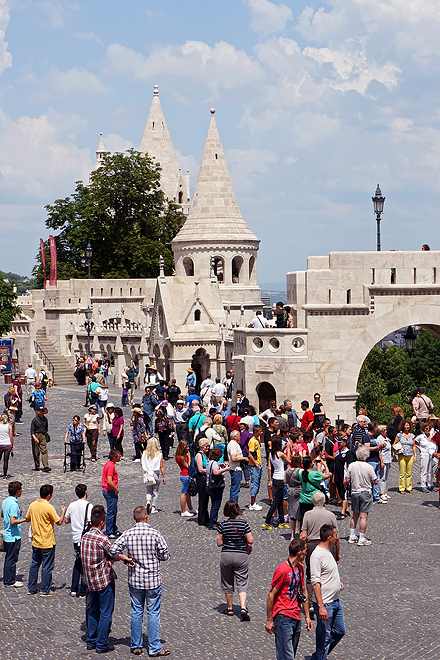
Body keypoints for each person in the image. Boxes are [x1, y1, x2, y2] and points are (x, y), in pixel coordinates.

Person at [110, 506, 170, 656]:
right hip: (152, 580)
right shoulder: (155, 534)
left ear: (134, 518)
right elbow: (165, 555)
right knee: (153, 613)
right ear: (146, 517)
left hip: (135, 579)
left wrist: (125, 558)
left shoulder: (128, 534)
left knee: (136, 612)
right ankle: (154, 647)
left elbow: (113, 550)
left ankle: (136, 645)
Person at [81, 504, 132, 653]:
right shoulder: (102, 539)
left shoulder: (84, 537)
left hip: (90, 581)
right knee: (105, 612)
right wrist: (125, 559)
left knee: (93, 610)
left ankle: (91, 640)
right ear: (102, 522)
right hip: (103, 580)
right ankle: (102, 643)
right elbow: (114, 552)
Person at [265, 539, 313, 660]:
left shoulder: (300, 568)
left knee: (289, 655)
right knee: (287, 657)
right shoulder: (282, 570)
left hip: (296, 616)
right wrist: (269, 619)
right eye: (305, 551)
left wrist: (307, 616)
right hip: (283, 618)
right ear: (299, 553)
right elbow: (271, 594)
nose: (306, 553)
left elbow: (304, 592)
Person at [310, 524, 346, 660]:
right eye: (336, 535)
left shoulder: (329, 551)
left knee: (340, 631)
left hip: (335, 601)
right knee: (323, 638)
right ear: (330, 538)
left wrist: (337, 583)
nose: (338, 537)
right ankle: (320, 657)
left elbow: (328, 573)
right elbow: (315, 582)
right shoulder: (317, 556)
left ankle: (318, 657)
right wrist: (321, 607)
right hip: (325, 604)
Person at [300, 492, 339, 612]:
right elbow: (336, 537)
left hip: (311, 546)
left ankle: (311, 602)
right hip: (328, 546)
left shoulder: (307, 515)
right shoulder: (331, 515)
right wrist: (337, 552)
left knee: (311, 575)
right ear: (324, 502)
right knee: (327, 574)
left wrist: (301, 555)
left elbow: (303, 535)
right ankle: (327, 598)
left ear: (313, 502)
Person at [26, 484, 66, 596]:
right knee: (47, 566)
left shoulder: (32, 505)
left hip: (36, 541)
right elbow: (58, 522)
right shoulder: (49, 507)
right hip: (47, 542)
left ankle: (31, 587)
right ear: (49, 495)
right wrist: (63, 511)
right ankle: (45, 589)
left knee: (34, 564)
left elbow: (28, 518)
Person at [217, 499, 253, 621]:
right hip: (241, 555)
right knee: (242, 581)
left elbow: (219, 543)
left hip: (226, 555)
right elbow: (250, 540)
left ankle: (230, 608)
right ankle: (243, 607)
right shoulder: (244, 524)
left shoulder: (223, 525)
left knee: (227, 581)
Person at [344, 445, 377, 546]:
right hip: (365, 492)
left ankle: (352, 536)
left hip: (355, 492)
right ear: (366, 456)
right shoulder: (369, 467)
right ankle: (361, 538)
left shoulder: (352, 465)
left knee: (354, 515)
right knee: (363, 517)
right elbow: (375, 481)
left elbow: (347, 479)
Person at [64, 483, 92, 598]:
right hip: (85, 537)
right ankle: (82, 591)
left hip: (76, 538)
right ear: (85, 492)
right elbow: (91, 522)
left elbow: (66, 520)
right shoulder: (89, 506)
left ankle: (74, 589)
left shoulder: (72, 505)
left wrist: (75, 520)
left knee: (77, 562)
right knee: (85, 563)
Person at [2, 480, 28, 588]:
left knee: (8, 558)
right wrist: (24, 520)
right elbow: (13, 521)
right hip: (13, 536)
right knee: (12, 559)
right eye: (21, 489)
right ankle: (10, 581)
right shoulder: (13, 504)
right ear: (17, 491)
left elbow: (3, 515)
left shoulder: (5, 501)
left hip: (7, 534)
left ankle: (8, 578)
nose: (22, 491)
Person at [263, 437, 290, 530]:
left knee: (280, 500)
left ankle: (281, 521)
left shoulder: (271, 454)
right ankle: (267, 521)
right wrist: (288, 448)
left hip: (275, 478)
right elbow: (288, 460)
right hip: (280, 479)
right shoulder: (281, 454)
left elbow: (269, 467)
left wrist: (270, 479)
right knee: (277, 501)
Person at [299, 456, 330, 523]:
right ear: (310, 463)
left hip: (304, 498)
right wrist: (325, 465)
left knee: (304, 519)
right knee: (315, 519)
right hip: (314, 498)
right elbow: (327, 475)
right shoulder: (315, 474)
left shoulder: (301, 474)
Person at [206, 447, 230, 530]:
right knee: (216, 505)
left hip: (209, 486)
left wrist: (220, 465)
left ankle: (213, 521)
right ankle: (212, 523)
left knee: (214, 504)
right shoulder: (214, 463)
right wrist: (225, 469)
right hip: (216, 487)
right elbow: (215, 472)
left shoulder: (210, 462)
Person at [141, 438, 165, 514]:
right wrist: (164, 476)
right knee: (155, 491)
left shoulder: (144, 453)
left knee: (148, 491)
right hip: (155, 474)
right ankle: (153, 508)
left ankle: (148, 501)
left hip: (147, 474)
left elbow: (141, 463)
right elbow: (161, 466)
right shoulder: (159, 454)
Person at [102, 449, 122, 539]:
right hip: (110, 491)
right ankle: (109, 531)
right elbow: (109, 481)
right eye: (119, 457)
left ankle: (113, 529)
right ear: (114, 458)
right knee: (111, 512)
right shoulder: (110, 466)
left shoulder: (110, 464)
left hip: (110, 490)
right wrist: (116, 489)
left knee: (113, 511)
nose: (120, 458)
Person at [175, 440, 197, 517]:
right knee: (184, 493)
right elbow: (188, 466)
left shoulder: (180, 456)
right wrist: (189, 458)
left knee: (187, 494)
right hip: (185, 475)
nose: (188, 448)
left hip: (185, 474)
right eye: (186, 447)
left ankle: (190, 508)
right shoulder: (181, 457)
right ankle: (183, 511)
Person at [394, 419, 416, 494]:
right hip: (402, 455)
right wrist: (394, 453)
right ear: (403, 426)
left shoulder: (412, 435)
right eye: (406, 425)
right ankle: (402, 488)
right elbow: (394, 444)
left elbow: (413, 446)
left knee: (409, 473)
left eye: (408, 425)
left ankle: (409, 487)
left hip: (410, 455)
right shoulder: (399, 435)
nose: (407, 427)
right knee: (402, 473)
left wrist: (415, 455)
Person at [284, 455, 303, 540]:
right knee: (298, 515)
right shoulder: (300, 471)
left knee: (292, 514)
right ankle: (299, 534)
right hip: (299, 491)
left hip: (290, 490)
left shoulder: (287, 470)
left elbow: (285, 481)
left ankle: (292, 535)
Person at [415, 421, 437, 493]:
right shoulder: (421, 437)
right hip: (424, 454)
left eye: (429, 428)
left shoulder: (432, 436)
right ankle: (423, 485)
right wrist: (418, 448)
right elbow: (414, 441)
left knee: (430, 471)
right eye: (426, 428)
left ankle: (430, 485)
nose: (428, 430)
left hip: (431, 455)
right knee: (424, 470)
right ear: (424, 429)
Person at [227, 429, 248, 503]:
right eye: (239, 436)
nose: (240, 437)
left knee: (235, 489)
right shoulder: (233, 445)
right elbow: (233, 458)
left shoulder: (233, 443)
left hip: (235, 468)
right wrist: (244, 458)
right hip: (235, 469)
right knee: (235, 490)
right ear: (234, 437)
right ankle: (233, 506)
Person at [30, 404, 51, 473]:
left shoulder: (45, 419)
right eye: (41, 411)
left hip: (42, 435)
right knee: (36, 452)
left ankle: (46, 466)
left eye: (43, 411)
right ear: (38, 412)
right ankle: (37, 465)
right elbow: (32, 431)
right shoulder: (34, 420)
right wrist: (34, 438)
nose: (43, 412)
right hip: (36, 435)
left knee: (44, 450)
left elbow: (46, 428)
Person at [248, 425, 263, 511]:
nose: (261, 433)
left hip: (258, 464)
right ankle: (252, 503)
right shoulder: (252, 441)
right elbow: (250, 454)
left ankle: (254, 501)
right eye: (260, 431)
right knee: (254, 483)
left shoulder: (257, 440)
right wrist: (256, 463)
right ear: (256, 432)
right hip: (254, 465)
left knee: (257, 483)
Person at [195, 438, 210, 526]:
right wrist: (210, 470)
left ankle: (205, 517)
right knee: (202, 498)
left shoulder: (205, 455)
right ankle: (202, 519)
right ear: (201, 447)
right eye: (206, 446)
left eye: (208, 446)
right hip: (201, 479)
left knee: (206, 499)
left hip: (205, 478)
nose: (207, 448)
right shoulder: (199, 455)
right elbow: (200, 469)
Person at [376, 424, 392, 500]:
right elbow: (379, 451)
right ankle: (381, 492)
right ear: (380, 431)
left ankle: (384, 492)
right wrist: (381, 461)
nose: (386, 431)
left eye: (386, 429)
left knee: (385, 477)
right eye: (384, 430)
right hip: (383, 459)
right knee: (382, 477)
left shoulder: (386, 438)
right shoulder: (379, 439)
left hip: (388, 459)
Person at [0, 412, 14, 478]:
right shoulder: (9, 426)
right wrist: (12, 444)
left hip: (0, 444)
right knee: (5, 460)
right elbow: (11, 436)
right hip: (7, 444)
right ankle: (5, 474)